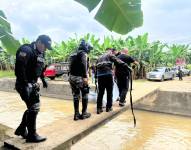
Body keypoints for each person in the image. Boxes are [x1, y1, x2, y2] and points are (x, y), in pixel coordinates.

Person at [14, 35, 52, 143]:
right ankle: (31, 134)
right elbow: (19, 69)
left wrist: (43, 79)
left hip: (33, 84)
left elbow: (38, 69)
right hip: (23, 84)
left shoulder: (40, 53)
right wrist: (25, 85)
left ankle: (22, 129)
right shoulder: (26, 50)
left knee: (32, 107)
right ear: (39, 42)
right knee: (34, 107)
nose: (45, 49)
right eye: (45, 46)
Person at [95, 48, 130, 114]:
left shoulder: (99, 57)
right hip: (108, 75)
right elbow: (118, 61)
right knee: (109, 92)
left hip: (100, 76)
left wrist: (95, 78)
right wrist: (126, 65)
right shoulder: (110, 55)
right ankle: (109, 107)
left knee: (100, 93)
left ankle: (99, 109)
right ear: (110, 51)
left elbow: (96, 67)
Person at [68, 39, 93, 121]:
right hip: (80, 77)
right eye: (89, 49)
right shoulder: (83, 53)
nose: (89, 51)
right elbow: (83, 64)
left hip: (71, 77)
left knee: (75, 95)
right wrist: (85, 76)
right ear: (86, 47)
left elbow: (70, 65)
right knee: (85, 93)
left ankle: (76, 114)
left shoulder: (73, 53)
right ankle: (84, 113)